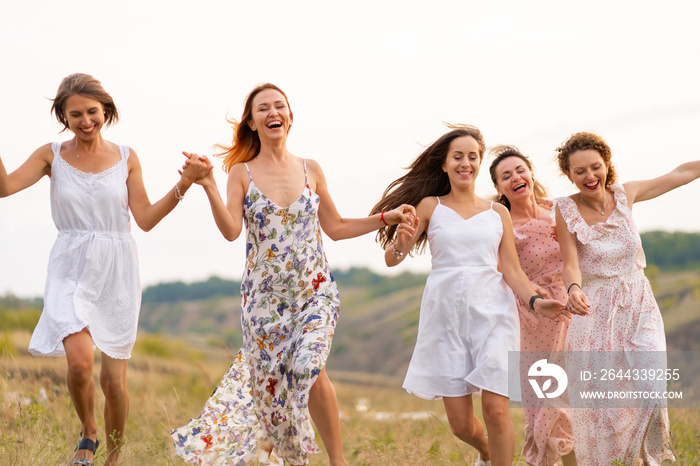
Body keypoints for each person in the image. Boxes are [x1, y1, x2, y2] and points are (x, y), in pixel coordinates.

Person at [171, 83, 415, 466]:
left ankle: (339, 462)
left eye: (279, 106)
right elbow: (231, 230)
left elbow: (334, 226)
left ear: (289, 115)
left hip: (314, 292)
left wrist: (386, 217)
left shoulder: (310, 169)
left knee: (308, 366)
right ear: (252, 122)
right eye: (263, 108)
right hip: (264, 306)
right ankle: (291, 459)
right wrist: (207, 185)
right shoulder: (241, 173)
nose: (273, 113)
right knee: (272, 398)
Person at [0, 73, 209, 466]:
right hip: (69, 264)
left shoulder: (127, 157)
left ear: (106, 110)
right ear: (62, 115)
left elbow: (144, 218)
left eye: (92, 112)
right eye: (74, 114)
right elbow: (5, 187)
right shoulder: (52, 155)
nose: (85, 121)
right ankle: (89, 432)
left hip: (117, 269)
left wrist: (185, 183)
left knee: (114, 382)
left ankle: (113, 457)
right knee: (79, 364)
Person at [371, 125, 569, 466]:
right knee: (461, 425)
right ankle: (489, 453)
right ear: (445, 165)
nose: (466, 163)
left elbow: (511, 270)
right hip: (444, 318)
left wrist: (535, 301)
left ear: (479, 163)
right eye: (458, 157)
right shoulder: (430, 206)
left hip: (493, 313)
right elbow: (392, 258)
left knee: (495, 409)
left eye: (473, 157)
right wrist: (400, 244)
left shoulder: (498, 213)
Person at [554, 131, 700, 465]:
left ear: (607, 165)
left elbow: (679, 174)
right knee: (610, 405)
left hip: (638, 303)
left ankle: (646, 458)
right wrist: (573, 288)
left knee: (650, 389)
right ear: (569, 175)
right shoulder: (565, 210)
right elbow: (570, 263)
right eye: (580, 172)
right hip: (596, 313)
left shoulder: (625, 194)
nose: (590, 176)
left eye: (595, 167)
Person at [489, 146, 576, 466]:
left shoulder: (560, 210)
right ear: (499, 188)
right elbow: (503, 271)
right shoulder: (501, 224)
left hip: (574, 310)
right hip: (532, 318)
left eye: (520, 170)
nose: (515, 178)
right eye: (506, 176)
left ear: (531, 173)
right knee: (544, 399)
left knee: (575, 399)